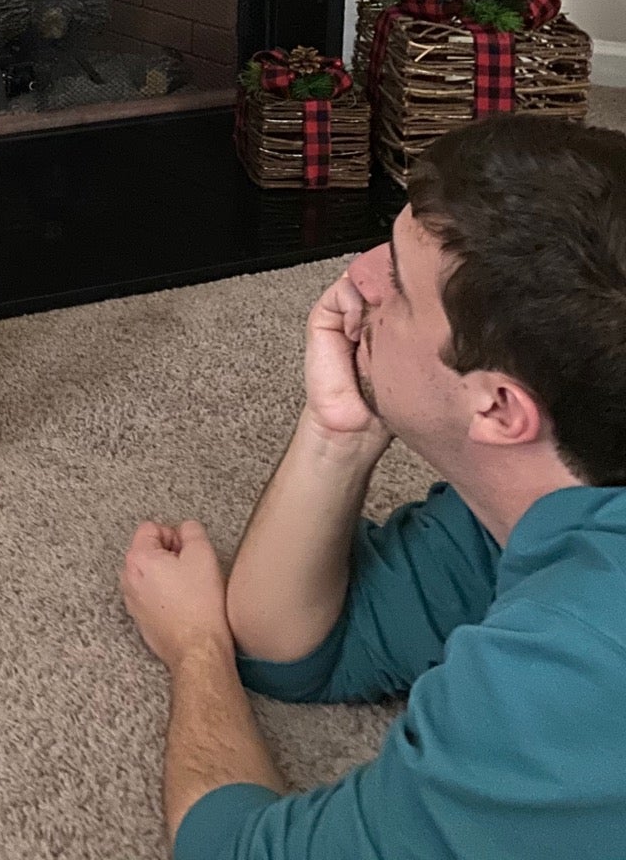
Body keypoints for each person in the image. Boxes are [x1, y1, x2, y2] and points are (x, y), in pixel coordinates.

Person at [120, 114, 626, 857]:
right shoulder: (554, 493)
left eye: (401, 286)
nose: (359, 274)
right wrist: (340, 432)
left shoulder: (571, 664)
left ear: (499, 408)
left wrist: (197, 649)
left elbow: (235, 850)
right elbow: (294, 650)